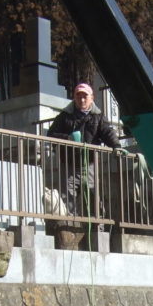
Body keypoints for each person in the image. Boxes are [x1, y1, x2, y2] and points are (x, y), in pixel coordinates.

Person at [46, 83, 123, 221]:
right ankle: (70, 228)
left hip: (90, 164)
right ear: (74, 97)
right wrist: (68, 138)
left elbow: (107, 132)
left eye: (85, 96)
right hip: (69, 164)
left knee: (94, 196)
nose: (82, 100)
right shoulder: (65, 116)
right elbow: (51, 134)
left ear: (92, 98)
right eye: (78, 96)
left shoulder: (98, 117)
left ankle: (97, 227)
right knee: (67, 198)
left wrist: (116, 146)